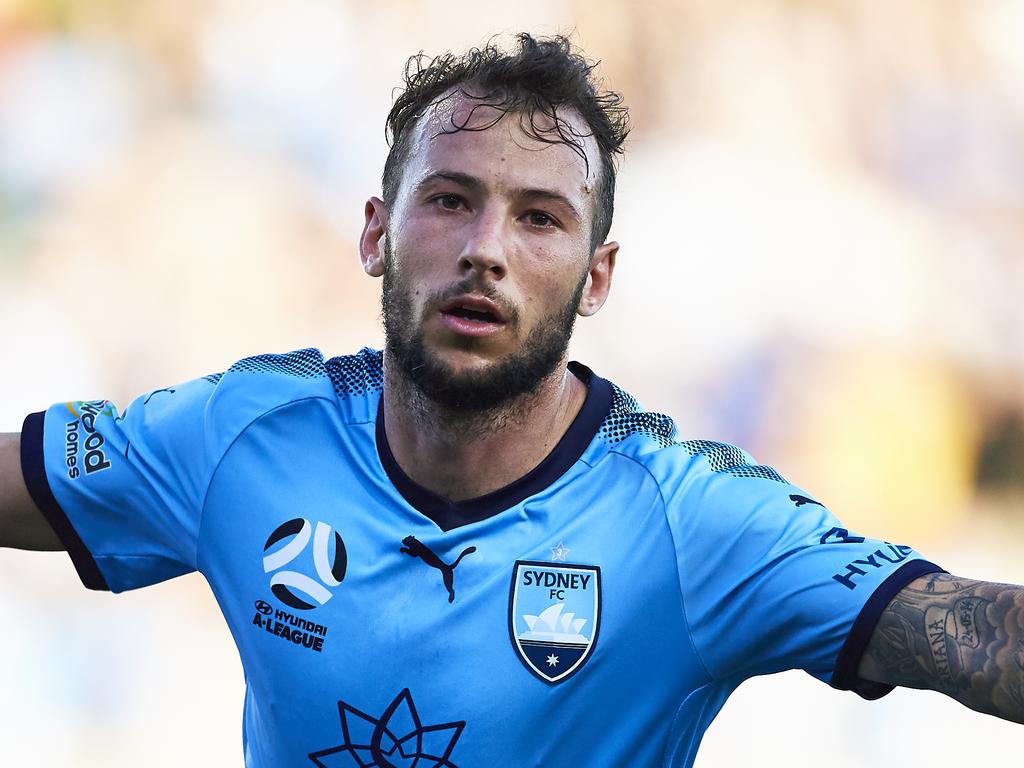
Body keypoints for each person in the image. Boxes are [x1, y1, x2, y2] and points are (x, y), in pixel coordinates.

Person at [1, 33, 1021, 768]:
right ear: (375, 233)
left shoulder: (693, 522)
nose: (485, 249)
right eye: (449, 200)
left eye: (540, 218)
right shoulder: (243, 437)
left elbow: (966, 636)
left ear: (596, 276)